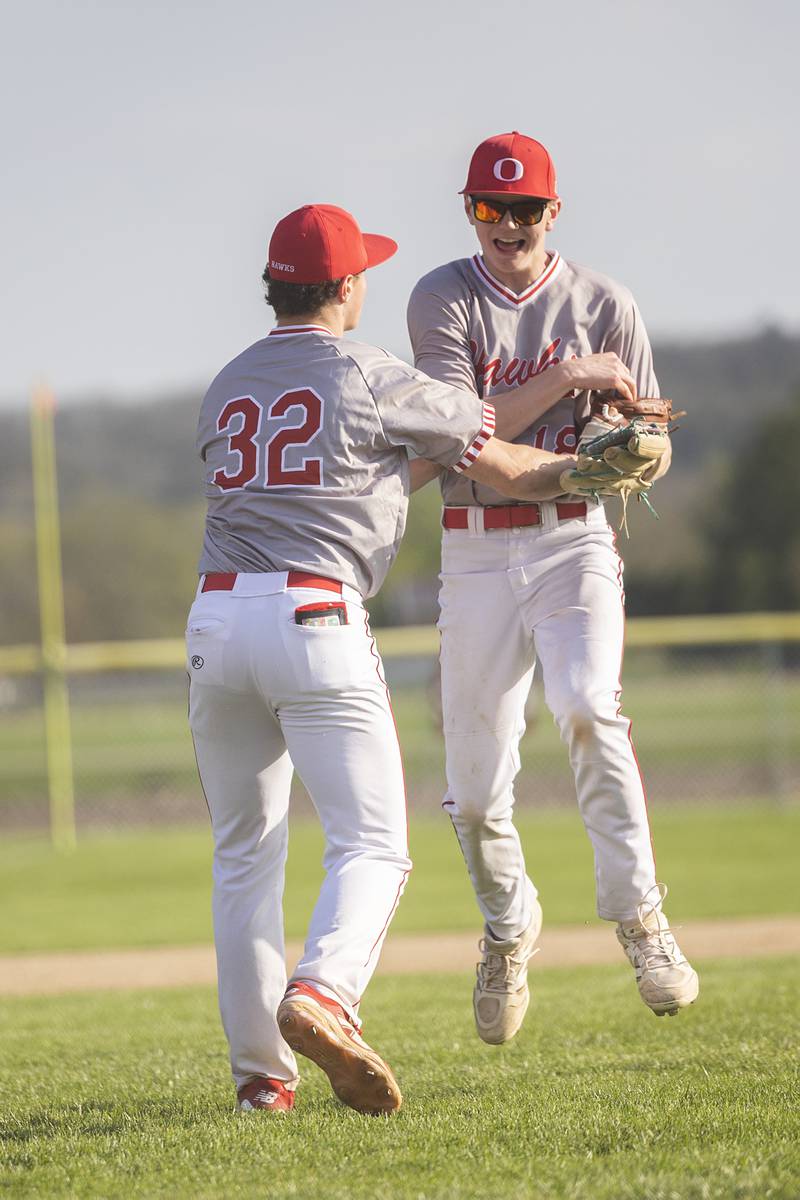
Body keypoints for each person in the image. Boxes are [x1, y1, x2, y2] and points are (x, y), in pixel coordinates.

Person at [187, 202, 581, 1116]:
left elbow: (339, 476)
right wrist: (591, 467)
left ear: (274, 287)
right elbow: (507, 465)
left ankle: (261, 1088)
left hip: (214, 619)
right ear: (349, 285)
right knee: (374, 844)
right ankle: (324, 992)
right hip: (314, 617)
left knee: (243, 855)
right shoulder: (368, 370)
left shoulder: (225, 383)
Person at [406, 131, 699, 1046]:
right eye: (491, 208)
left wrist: (638, 447)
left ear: (553, 212)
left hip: (574, 538)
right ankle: (507, 928)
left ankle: (641, 918)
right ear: (470, 210)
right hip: (474, 542)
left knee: (586, 708)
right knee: (477, 786)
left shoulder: (606, 302)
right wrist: (570, 376)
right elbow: (462, 434)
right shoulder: (443, 296)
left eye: (524, 208)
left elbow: (649, 442)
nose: (508, 225)